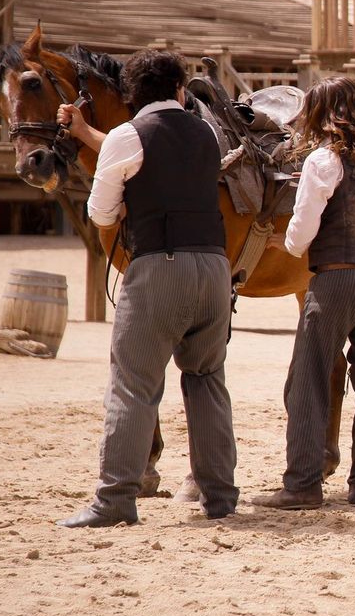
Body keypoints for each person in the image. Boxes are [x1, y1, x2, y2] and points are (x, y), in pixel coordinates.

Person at [56, 49, 238, 527]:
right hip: (214, 268)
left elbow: (101, 213)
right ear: (179, 89)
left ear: (131, 94)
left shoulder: (126, 135)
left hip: (160, 266)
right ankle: (219, 496)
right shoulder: (207, 133)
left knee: (133, 385)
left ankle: (115, 500)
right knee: (207, 379)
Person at [251, 77, 355, 509]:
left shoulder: (323, 160)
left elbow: (302, 230)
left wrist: (285, 244)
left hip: (336, 280)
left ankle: (302, 484)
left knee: (309, 379)